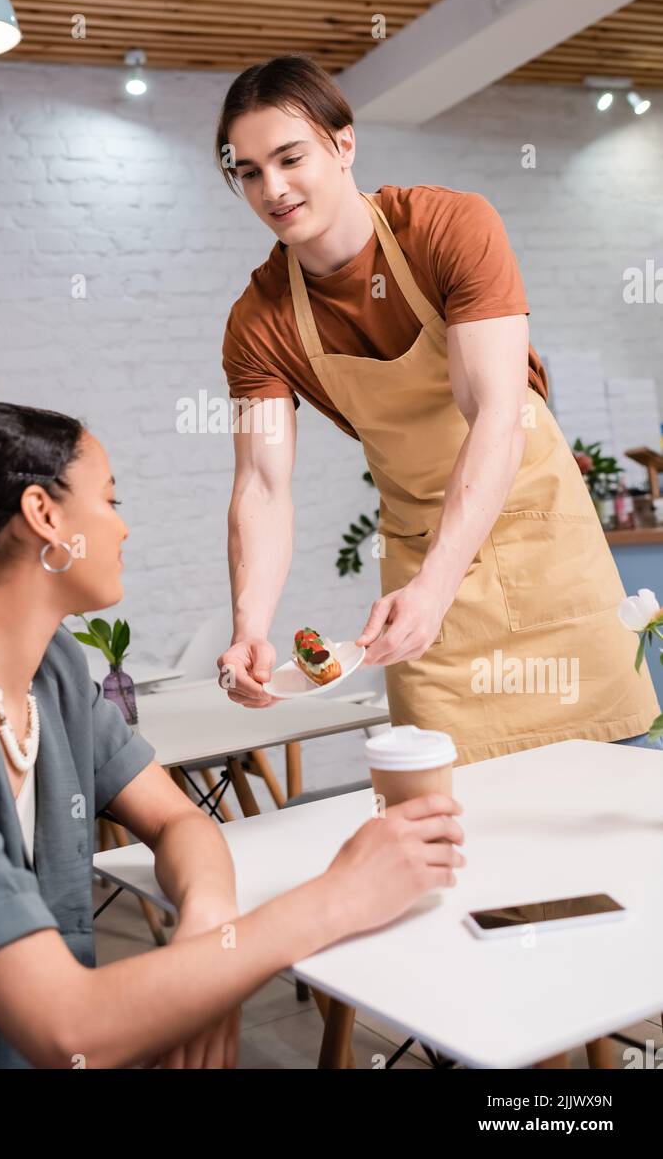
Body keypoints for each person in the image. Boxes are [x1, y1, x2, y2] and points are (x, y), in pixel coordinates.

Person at [0, 401, 465, 1069]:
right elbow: (67, 1029)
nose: (122, 529)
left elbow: (179, 821)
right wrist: (336, 899)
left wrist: (209, 943)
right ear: (45, 516)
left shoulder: (50, 669)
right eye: (111, 501)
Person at [215, 54, 662, 761]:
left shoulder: (447, 228)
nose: (271, 188)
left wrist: (437, 585)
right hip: (420, 574)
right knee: (442, 809)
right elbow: (262, 486)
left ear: (343, 143)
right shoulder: (257, 321)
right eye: (246, 171)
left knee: (608, 789)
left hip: (540, 545)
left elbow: (494, 412)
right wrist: (249, 625)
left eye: (288, 157)